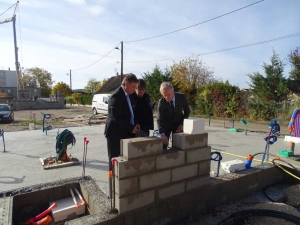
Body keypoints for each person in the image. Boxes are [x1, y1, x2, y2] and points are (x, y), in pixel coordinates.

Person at [104, 74, 140, 170]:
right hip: (114, 134)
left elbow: (132, 112)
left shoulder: (130, 95)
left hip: (125, 132)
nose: (134, 89)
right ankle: (113, 184)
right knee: (114, 161)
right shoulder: (116, 96)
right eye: (133, 87)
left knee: (124, 162)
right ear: (126, 84)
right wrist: (131, 128)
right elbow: (117, 118)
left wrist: (136, 123)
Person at [157, 82, 190, 149]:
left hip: (178, 125)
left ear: (173, 91)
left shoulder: (181, 97)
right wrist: (162, 134)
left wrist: (182, 124)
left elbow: (187, 111)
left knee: (178, 146)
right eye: (164, 95)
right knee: (163, 146)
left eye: (168, 94)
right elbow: (159, 119)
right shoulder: (161, 102)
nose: (167, 97)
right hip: (166, 125)